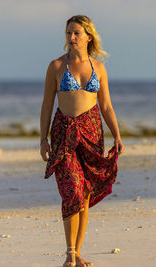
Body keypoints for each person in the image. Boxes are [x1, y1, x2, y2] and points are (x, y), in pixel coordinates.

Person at [40, 15, 124, 267]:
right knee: (72, 191)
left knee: (85, 195)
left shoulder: (98, 68)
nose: (71, 38)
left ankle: (77, 253)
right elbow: (46, 105)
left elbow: (106, 106)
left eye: (77, 33)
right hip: (64, 132)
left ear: (89, 36)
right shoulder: (56, 66)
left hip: (91, 132)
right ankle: (69, 254)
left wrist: (117, 135)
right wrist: (42, 138)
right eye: (68, 33)